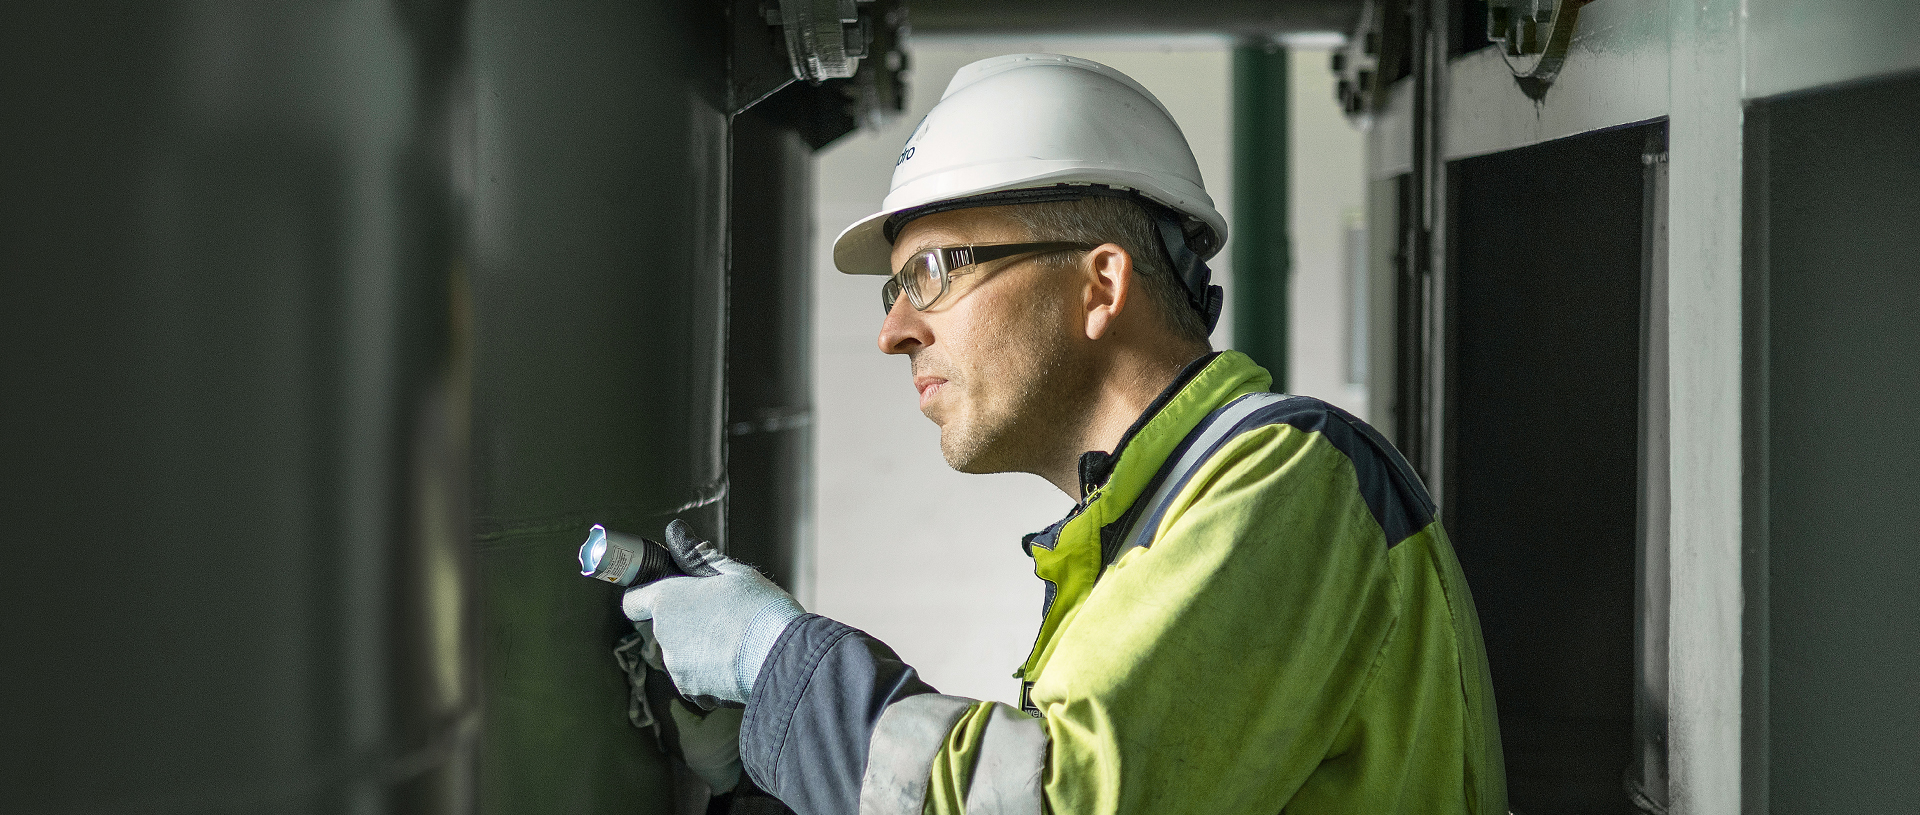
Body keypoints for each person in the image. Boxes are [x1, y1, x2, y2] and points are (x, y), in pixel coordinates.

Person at [621, 53, 1507, 815]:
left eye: (929, 272)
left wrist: (777, 665)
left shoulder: (1289, 479)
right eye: (891, 290)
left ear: (1100, 285)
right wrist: (760, 767)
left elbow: (1056, 799)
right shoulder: (1134, 533)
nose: (894, 331)